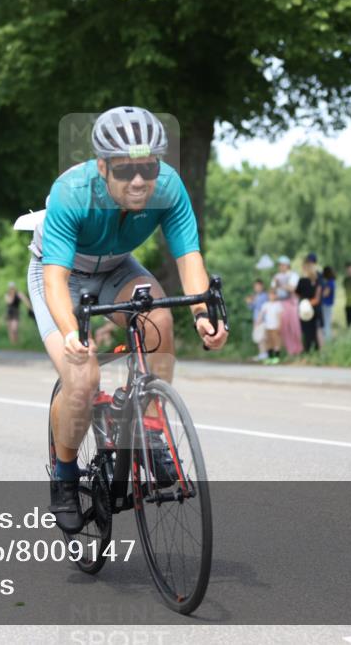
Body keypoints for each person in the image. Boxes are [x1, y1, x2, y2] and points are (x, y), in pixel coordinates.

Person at [26, 106, 228, 533]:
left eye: (148, 167)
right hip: (61, 274)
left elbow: (189, 257)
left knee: (159, 318)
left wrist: (202, 314)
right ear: (102, 167)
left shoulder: (169, 187)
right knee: (82, 379)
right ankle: (64, 476)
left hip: (118, 267)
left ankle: (150, 428)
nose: (139, 180)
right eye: (125, 170)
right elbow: (57, 279)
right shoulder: (72, 192)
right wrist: (69, 334)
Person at [271, 255, 302, 355]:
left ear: (287, 265)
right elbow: (273, 290)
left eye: (283, 265)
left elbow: (292, 288)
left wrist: (280, 285)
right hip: (281, 303)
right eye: (280, 265)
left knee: (294, 327)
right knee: (283, 328)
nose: (281, 266)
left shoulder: (293, 275)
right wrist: (278, 286)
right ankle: (290, 351)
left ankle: (299, 349)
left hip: (292, 303)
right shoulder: (276, 276)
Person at [295, 254, 323, 353]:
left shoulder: (317, 279)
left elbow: (317, 297)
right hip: (306, 309)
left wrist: (307, 303)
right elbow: (297, 293)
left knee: (313, 331)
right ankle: (310, 351)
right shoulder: (302, 280)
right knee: (307, 331)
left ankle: (316, 351)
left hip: (312, 308)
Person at [258, 286, 283, 364]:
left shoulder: (278, 305)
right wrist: (258, 322)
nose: (271, 296)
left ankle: (276, 357)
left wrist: (279, 325)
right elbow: (261, 314)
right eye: (270, 294)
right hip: (268, 326)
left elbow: (279, 316)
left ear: (275, 296)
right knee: (269, 342)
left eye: (273, 294)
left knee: (276, 341)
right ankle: (270, 357)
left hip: (275, 326)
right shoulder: (266, 305)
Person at [245, 279, 269, 361]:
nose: (257, 288)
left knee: (263, 337)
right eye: (256, 286)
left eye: (259, 286)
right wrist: (249, 302)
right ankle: (262, 353)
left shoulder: (265, 296)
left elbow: (263, 309)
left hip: (263, 320)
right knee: (258, 337)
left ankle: (265, 354)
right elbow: (252, 308)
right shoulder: (255, 296)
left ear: (262, 286)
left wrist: (260, 319)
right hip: (256, 319)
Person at [4, 281, 32, 346]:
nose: (11, 289)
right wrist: (12, 295)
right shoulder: (7, 294)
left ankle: (16, 342)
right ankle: (12, 344)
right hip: (9, 312)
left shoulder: (19, 294)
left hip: (15, 312)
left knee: (14, 328)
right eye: (10, 288)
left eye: (12, 288)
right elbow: (9, 302)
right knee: (10, 329)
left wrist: (29, 307)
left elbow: (25, 300)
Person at [320, 265, 336, 341]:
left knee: (326, 323)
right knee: (327, 323)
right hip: (328, 305)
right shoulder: (331, 282)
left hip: (326, 304)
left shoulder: (330, 283)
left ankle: (327, 340)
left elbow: (325, 294)